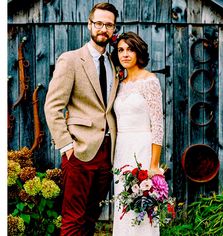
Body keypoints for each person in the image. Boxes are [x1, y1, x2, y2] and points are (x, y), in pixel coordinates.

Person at [44, 3, 119, 235]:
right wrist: (67, 146)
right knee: (73, 219)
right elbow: (53, 106)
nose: (103, 29)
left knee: (90, 218)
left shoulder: (115, 63)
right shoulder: (71, 60)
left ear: (113, 28)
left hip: (108, 152)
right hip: (80, 150)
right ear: (89, 25)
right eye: (99, 23)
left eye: (108, 24)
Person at [111, 32, 164, 236]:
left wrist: (153, 165)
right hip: (122, 151)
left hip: (142, 149)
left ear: (138, 52)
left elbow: (158, 124)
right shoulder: (120, 84)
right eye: (121, 50)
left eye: (130, 49)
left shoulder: (150, 81)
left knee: (142, 204)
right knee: (123, 207)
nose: (125, 54)